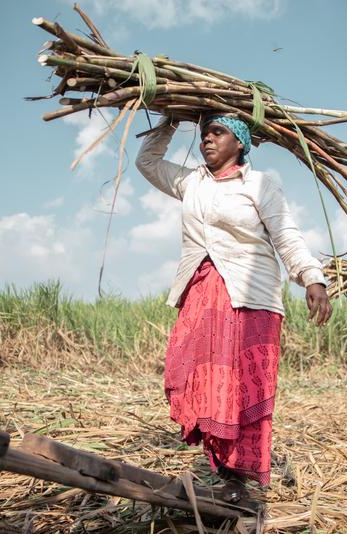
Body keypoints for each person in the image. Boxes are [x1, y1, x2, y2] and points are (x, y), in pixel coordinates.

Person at [135, 114, 332, 502]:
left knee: (240, 389)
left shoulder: (260, 184)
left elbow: (285, 234)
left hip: (250, 296)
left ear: (239, 142)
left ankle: (237, 480)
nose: (207, 139)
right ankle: (224, 471)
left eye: (217, 132)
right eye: (204, 132)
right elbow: (147, 162)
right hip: (202, 294)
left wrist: (312, 277)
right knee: (203, 382)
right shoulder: (191, 181)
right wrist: (170, 119)